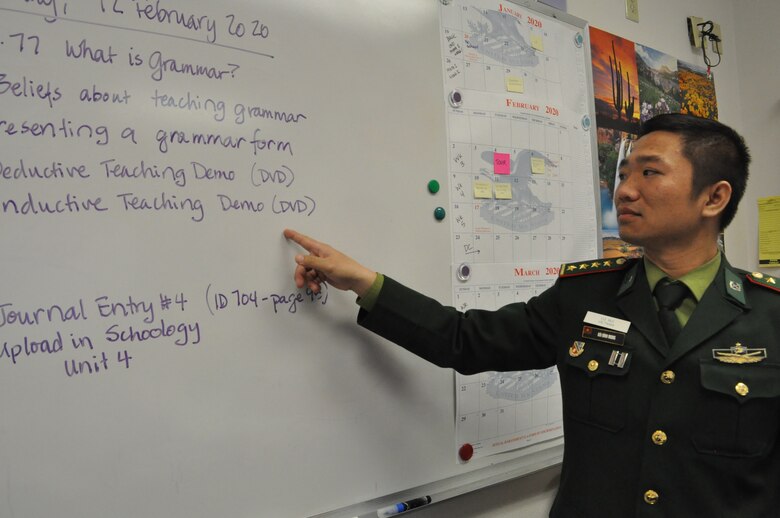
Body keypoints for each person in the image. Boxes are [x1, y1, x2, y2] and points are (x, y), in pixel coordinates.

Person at [283, 113, 780, 517]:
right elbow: (465, 340)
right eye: (624, 173)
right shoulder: (584, 295)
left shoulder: (770, 315)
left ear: (714, 197)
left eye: (650, 172)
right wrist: (367, 283)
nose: (625, 189)